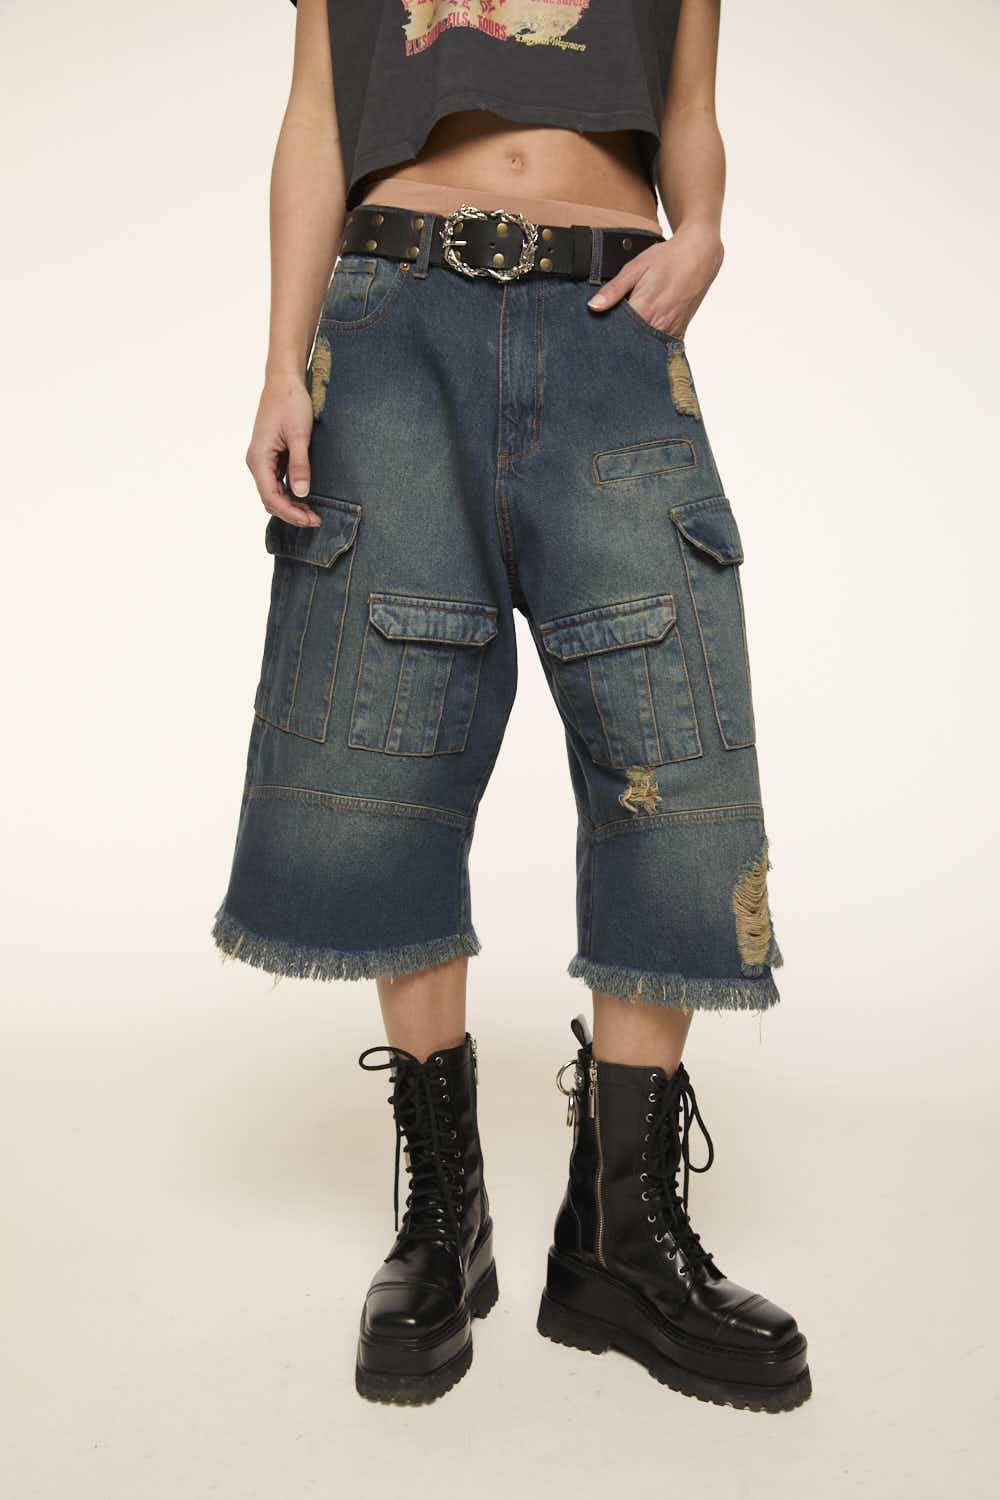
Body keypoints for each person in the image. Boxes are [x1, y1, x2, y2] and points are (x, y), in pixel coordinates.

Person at [212, 0, 811, 1413]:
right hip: (393, 312)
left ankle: (622, 1238)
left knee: (670, 739)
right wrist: (283, 358)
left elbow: (691, 97)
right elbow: (317, 116)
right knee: (390, 738)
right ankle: (445, 1215)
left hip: (611, 320)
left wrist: (704, 230)